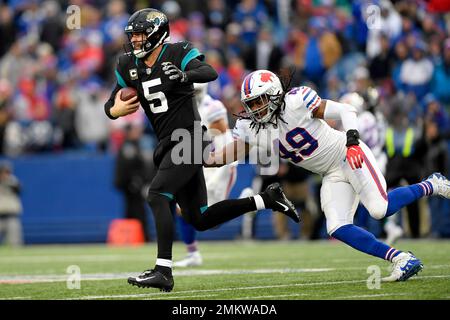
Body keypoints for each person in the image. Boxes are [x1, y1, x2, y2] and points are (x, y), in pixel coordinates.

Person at [104, 9, 299, 292]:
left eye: (139, 34)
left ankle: (163, 271)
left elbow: (209, 72)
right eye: (132, 35)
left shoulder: (177, 51)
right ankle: (266, 200)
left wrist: (184, 75)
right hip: (166, 143)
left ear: (157, 33)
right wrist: (114, 109)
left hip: (190, 138)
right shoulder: (127, 65)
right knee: (200, 218)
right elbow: (112, 103)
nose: (134, 40)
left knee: (157, 194)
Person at [205, 69, 450, 282]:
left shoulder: (297, 101)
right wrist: (203, 159)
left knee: (379, 208)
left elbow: (346, 110)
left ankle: (432, 184)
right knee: (337, 226)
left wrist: (353, 141)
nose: (256, 109)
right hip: (329, 172)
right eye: (252, 104)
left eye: (260, 101)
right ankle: (401, 258)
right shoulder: (252, 127)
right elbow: (226, 155)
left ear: (275, 93)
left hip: (347, 154)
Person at [114, 123, 152, 241]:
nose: (138, 132)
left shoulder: (132, 146)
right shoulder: (128, 147)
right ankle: (140, 237)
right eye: (135, 130)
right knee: (136, 212)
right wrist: (134, 182)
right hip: (131, 186)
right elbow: (128, 167)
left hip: (133, 185)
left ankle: (133, 237)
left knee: (133, 211)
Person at [0, 161, 23, 246]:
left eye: (7, 172)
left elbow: (18, 189)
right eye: (4, 172)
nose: (5, 174)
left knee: (14, 242)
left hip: (11, 216)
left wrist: (7, 181)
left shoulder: (13, 181)